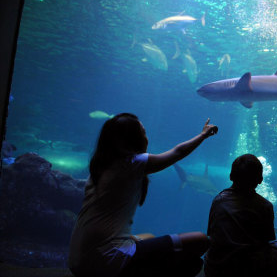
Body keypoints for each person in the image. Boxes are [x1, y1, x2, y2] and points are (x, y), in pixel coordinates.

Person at [68, 113, 218, 277]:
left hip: (78, 259)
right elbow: (177, 152)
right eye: (143, 133)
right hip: (105, 258)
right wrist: (203, 135)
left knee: (150, 237)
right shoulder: (131, 163)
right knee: (201, 240)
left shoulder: (101, 166)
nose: (147, 138)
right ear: (133, 139)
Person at [204, 154, 277, 277]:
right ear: (260, 180)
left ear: (231, 176)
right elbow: (268, 242)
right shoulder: (265, 206)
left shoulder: (218, 200)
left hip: (215, 269)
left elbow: (211, 234)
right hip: (249, 268)